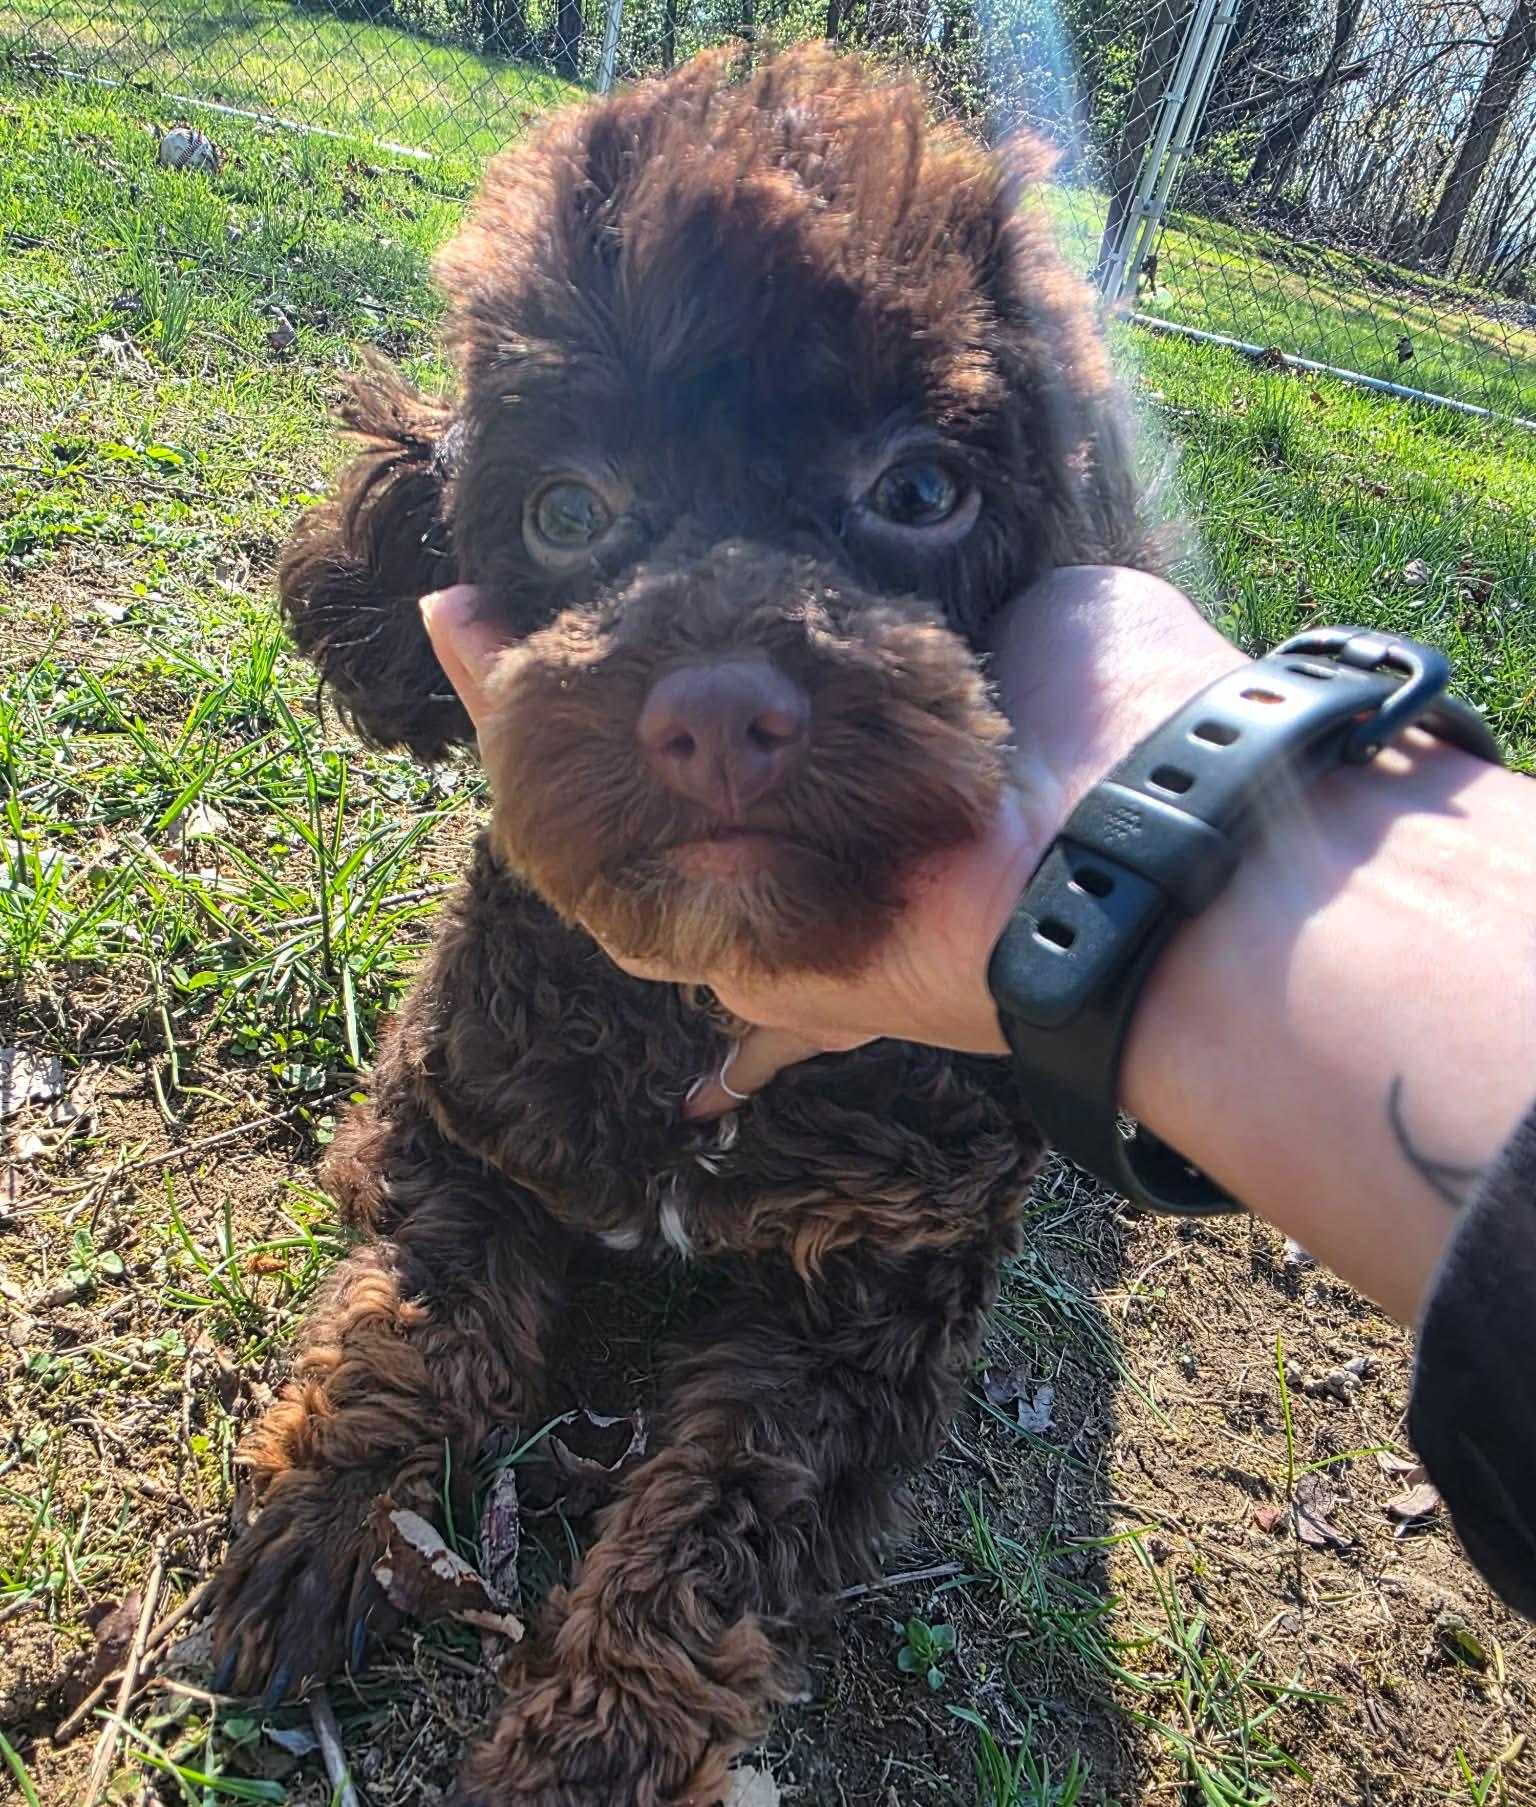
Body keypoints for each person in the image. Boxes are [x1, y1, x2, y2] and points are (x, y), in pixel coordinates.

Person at [420, 567, 1536, 1621]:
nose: (722, 704)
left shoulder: (934, 1125)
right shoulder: (507, 1015)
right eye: (572, 509)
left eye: (915, 495)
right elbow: (446, 1141)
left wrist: (652, 1664)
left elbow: (867, 1347)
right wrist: (404, 1384)